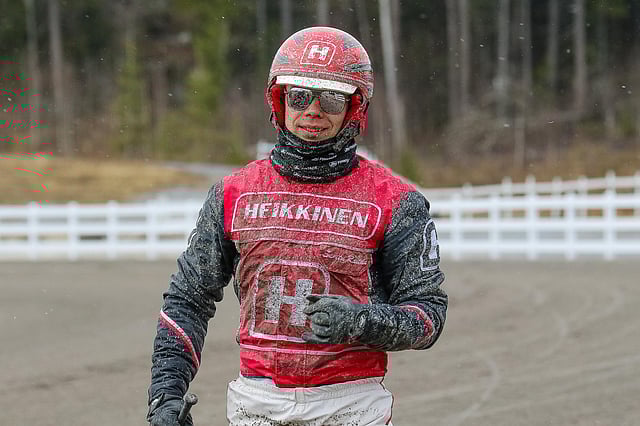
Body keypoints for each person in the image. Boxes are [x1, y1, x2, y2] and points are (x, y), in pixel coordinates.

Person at [147, 26, 448, 426]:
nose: (313, 111)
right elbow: (188, 299)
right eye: (300, 96)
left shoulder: (395, 201)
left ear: (354, 107)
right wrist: (165, 394)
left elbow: (428, 315)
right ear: (280, 98)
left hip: (352, 405)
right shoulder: (232, 194)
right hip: (256, 403)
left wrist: (362, 322)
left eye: (331, 98)